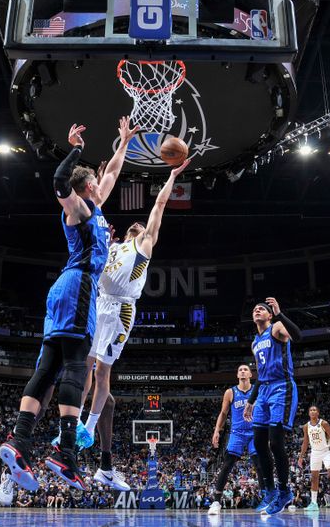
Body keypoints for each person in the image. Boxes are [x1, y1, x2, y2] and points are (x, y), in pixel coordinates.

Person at [0, 117, 137, 492]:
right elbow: (60, 183)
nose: (103, 183)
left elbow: (112, 175)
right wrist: (73, 148)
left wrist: (123, 141)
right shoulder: (80, 208)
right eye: (97, 180)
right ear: (88, 185)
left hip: (65, 290)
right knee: (79, 365)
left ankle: (19, 441)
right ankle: (67, 453)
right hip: (79, 288)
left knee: (48, 368)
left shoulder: (95, 206)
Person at [83, 157, 191, 491]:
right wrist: (99, 183)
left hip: (120, 311)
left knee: (101, 372)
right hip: (97, 300)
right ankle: (72, 428)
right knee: (83, 366)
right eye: (137, 225)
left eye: (142, 225)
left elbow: (159, 204)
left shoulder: (143, 244)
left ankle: (85, 428)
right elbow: (95, 216)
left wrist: (172, 177)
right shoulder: (114, 244)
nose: (139, 225)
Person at [242, 297, 302, 516]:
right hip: (264, 390)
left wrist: (279, 313)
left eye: (262, 309)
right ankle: (269, 491)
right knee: (258, 443)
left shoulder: (277, 327)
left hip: (281, 387)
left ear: (269, 315)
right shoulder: (254, 343)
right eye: (255, 309)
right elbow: (259, 375)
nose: (257, 310)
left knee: (276, 443)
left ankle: (285, 491)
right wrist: (250, 401)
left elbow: (298, 336)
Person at [207, 364, 267, 515]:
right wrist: (216, 431)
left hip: (255, 431)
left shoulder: (258, 390)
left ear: (250, 375)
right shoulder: (230, 392)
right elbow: (223, 413)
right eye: (240, 369)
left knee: (260, 465)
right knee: (227, 465)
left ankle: (267, 500)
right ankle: (216, 502)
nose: (242, 371)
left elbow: (266, 410)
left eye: (245, 369)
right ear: (237, 375)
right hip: (237, 432)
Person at [297, 405, 330, 511]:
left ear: (318, 413)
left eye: (314, 410)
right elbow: (305, 442)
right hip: (314, 453)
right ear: (309, 413)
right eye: (311, 410)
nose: (313, 411)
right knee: (314, 478)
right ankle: (314, 503)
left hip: (326, 452)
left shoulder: (324, 423)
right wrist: (301, 456)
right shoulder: (306, 426)